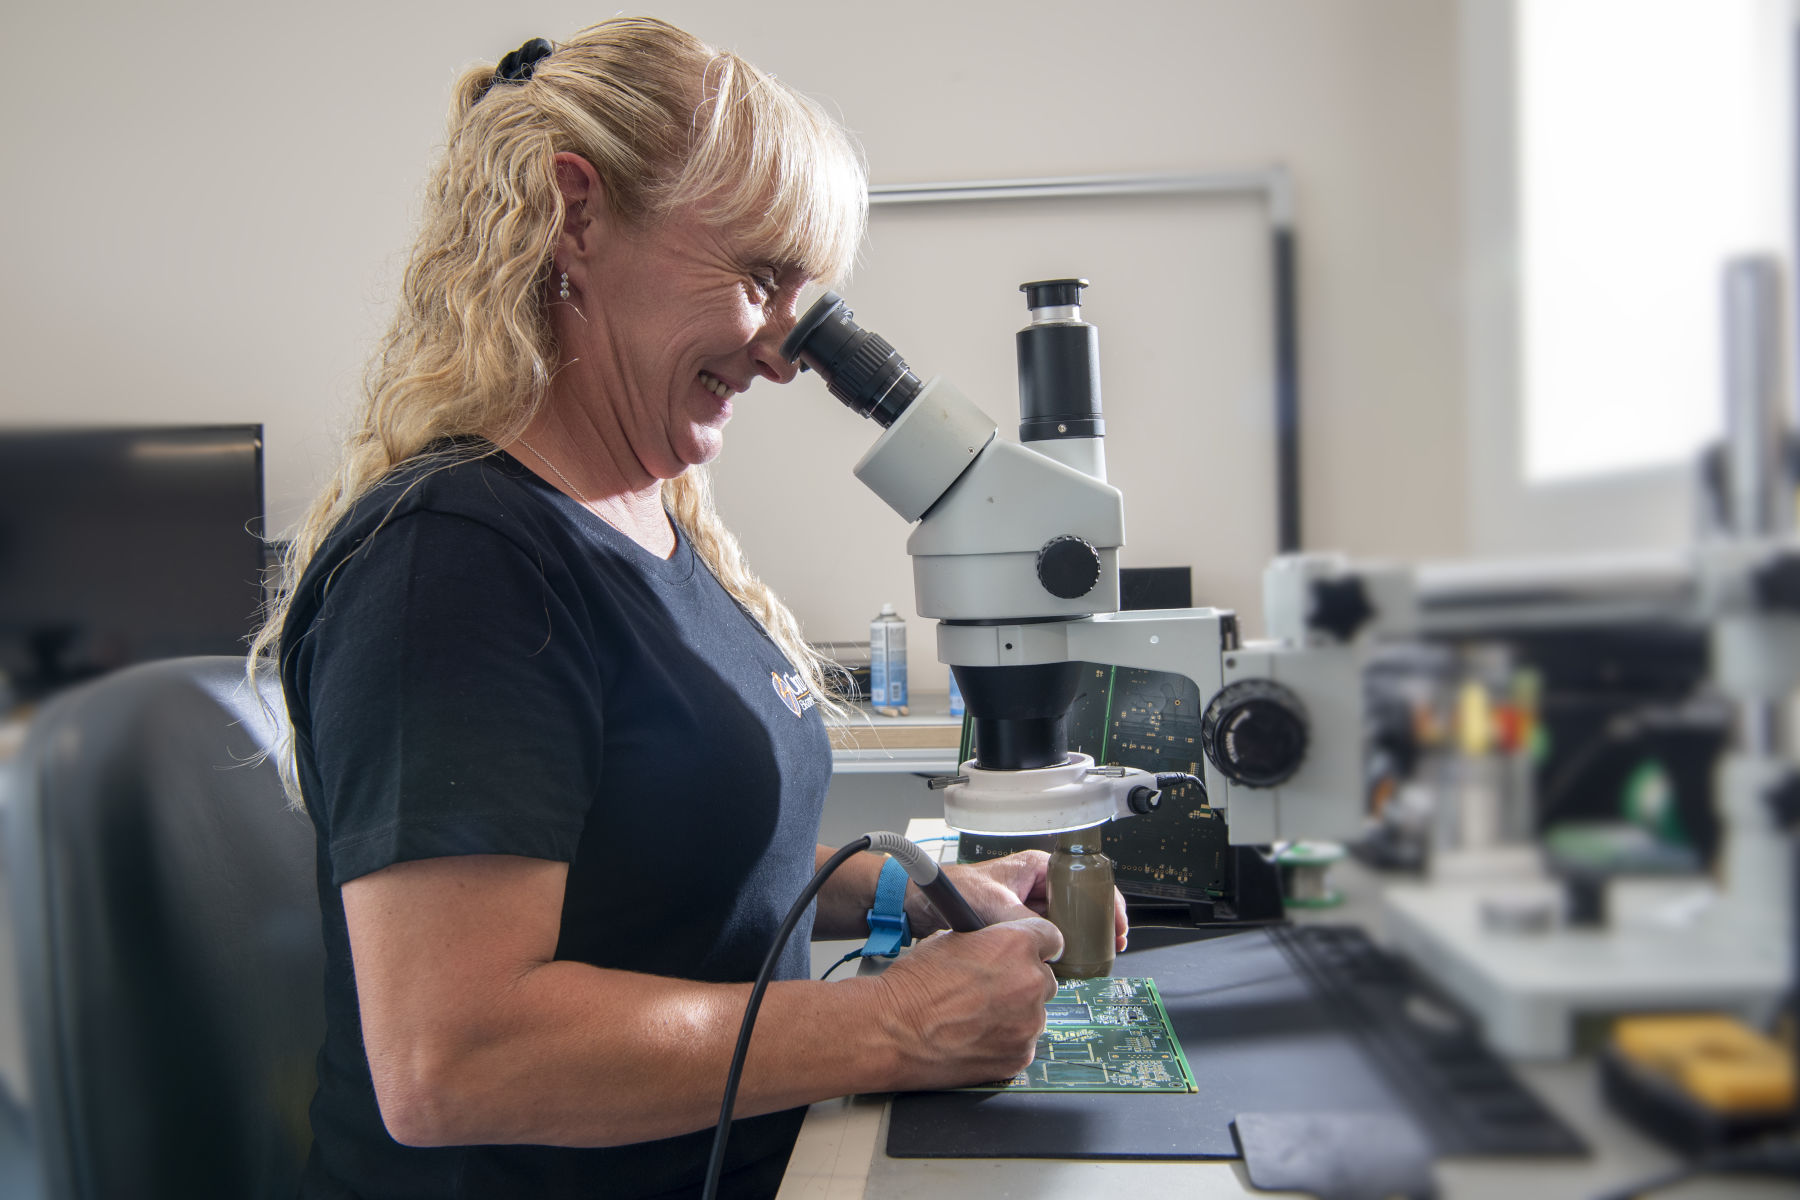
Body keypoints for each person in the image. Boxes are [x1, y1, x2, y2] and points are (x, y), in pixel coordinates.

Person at [248, 17, 1128, 1200]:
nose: (783, 354)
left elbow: (667, 849)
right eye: (760, 277)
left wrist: (930, 893)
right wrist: (895, 1029)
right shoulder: (454, 559)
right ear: (577, 213)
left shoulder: (647, 523)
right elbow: (452, 1059)